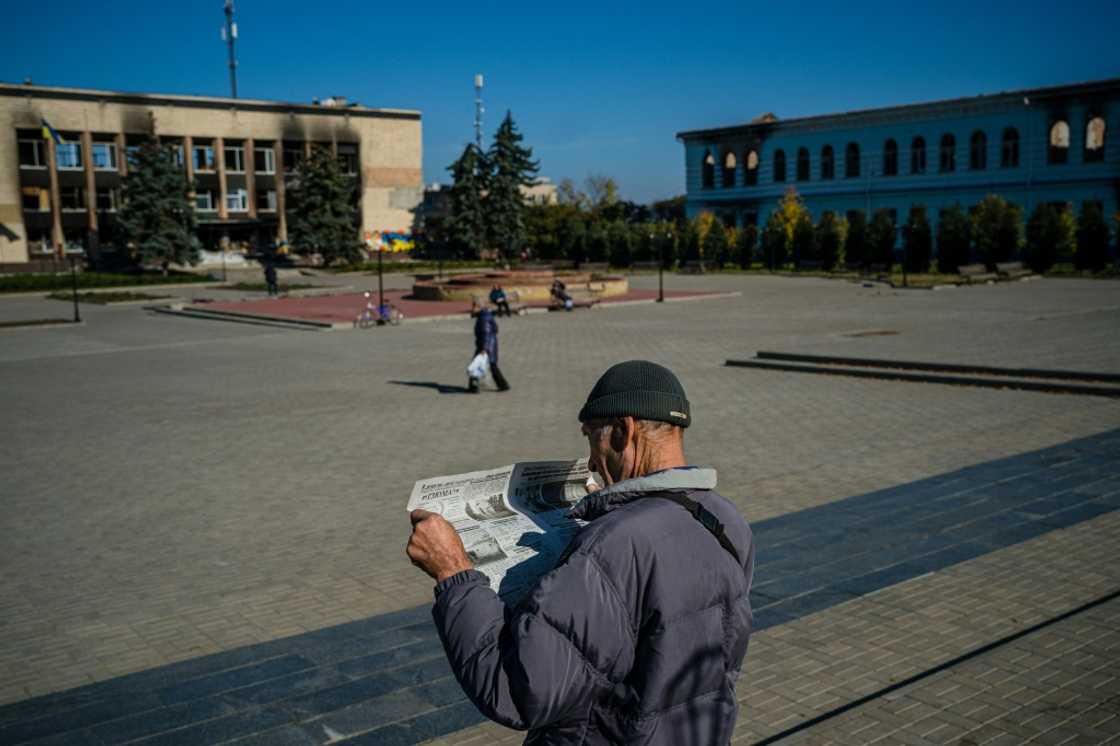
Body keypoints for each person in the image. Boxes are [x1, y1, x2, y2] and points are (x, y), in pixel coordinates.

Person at [407, 361, 755, 744]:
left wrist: (454, 572)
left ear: (625, 431)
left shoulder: (616, 545)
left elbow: (516, 688)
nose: (590, 461)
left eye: (592, 438)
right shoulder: (725, 519)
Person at [468, 307, 510, 393]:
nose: (472, 309)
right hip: (490, 346)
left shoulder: (483, 318)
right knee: (492, 366)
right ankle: (503, 385)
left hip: (485, 347)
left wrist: (483, 348)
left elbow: (485, 334)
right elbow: (494, 330)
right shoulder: (486, 316)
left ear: (478, 307)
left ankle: (474, 388)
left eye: (474, 307)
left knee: (475, 366)